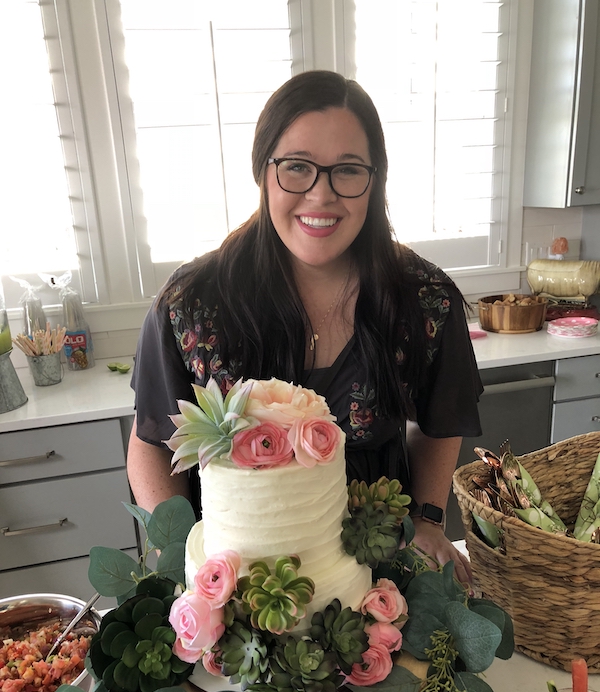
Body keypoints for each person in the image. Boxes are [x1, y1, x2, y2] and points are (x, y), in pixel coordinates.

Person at [127, 70, 482, 586]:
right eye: (297, 167)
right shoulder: (193, 305)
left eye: (348, 170)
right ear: (263, 172)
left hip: (380, 571)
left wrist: (428, 521)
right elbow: (153, 442)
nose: (321, 195)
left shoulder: (424, 301)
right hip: (243, 585)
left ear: (374, 180)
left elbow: (440, 421)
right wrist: (186, 560)